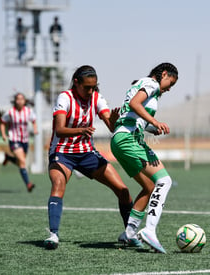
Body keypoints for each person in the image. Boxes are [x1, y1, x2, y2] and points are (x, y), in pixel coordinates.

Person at [44, 65, 133, 249]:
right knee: (58, 185)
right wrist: (80, 130)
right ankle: (53, 235)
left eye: (94, 87)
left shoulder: (97, 98)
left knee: (123, 190)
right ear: (76, 83)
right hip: (62, 152)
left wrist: (114, 120)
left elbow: (110, 125)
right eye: (87, 87)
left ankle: (130, 234)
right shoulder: (65, 97)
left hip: (86, 153)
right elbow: (59, 130)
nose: (90, 91)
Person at [111, 62, 178, 253]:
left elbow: (132, 114)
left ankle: (129, 234)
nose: (169, 88)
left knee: (149, 187)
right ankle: (149, 230)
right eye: (170, 83)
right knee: (164, 180)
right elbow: (134, 104)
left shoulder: (142, 84)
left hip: (122, 139)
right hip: (128, 139)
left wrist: (151, 127)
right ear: (163, 74)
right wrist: (155, 121)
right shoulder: (152, 83)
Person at [0, 93, 37, 192]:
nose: (19, 101)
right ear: (15, 101)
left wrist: (35, 129)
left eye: (22, 99)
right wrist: (3, 134)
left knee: (21, 162)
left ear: (25, 101)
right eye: (18, 99)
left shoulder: (28, 111)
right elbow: (2, 123)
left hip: (25, 140)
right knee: (22, 161)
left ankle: (9, 158)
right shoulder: (10, 112)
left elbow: (34, 121)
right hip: (14, 139)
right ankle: (28, 184)